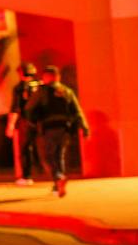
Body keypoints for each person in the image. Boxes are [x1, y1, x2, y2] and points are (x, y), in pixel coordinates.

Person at [25, 65, 90, 197]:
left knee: (48, 156)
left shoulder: (42, 91)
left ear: (48, 77)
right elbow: (77, 111)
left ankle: (58, 177)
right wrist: (84, 128)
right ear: (58, 77)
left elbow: (29, 108)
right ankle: (58, 184)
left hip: (49, 127)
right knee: (59, 154)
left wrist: (31, 122)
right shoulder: (67, 91)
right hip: (65, 128)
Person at [7, 62, 41, 185]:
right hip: (43, 121)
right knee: (43, 148)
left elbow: (16, 108)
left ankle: (27, 176)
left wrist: (10, 125)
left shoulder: (20, 87)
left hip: (26, 121)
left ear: (21, 73)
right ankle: (51, 174)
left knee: (25, 148)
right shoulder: (41, 85)